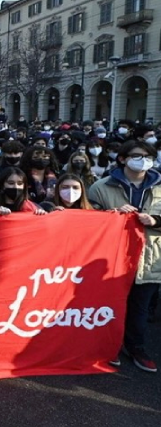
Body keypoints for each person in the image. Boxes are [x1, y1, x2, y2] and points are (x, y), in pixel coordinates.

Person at [88, 140, 161, 372]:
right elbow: (88, 220)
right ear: (122, 159)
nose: (143, 161)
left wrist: (155, 221)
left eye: (148, 156)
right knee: (109, 304)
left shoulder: (160, 187)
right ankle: (108, 346)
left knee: (140, 306)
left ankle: (136, 347)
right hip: (111, 259)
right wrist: (112, 215)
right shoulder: (101, 187)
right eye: (137, 155)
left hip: (149, 256)